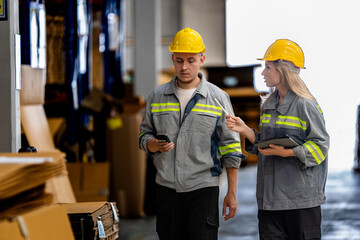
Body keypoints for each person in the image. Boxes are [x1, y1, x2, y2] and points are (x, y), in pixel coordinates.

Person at [138, 27, 246, 240]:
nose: (184, 67)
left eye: (190, 60)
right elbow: (144, 136)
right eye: (179, 60)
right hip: (166, 189)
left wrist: (231, 193)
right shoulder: (157, 96)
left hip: (203, 189)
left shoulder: (218, 98)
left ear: (202, 59)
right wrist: (153, 145)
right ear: (172, 59)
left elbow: (231, 148)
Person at [226, 39, 330, 240]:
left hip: (300, 202)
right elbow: (267, 144)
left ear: (283, 70)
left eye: (268, 67)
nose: (263, 73)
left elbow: (321, 146)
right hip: (269, 200)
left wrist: (288, 152)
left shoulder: (306, 105)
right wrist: (246, 130)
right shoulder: (268, 105)